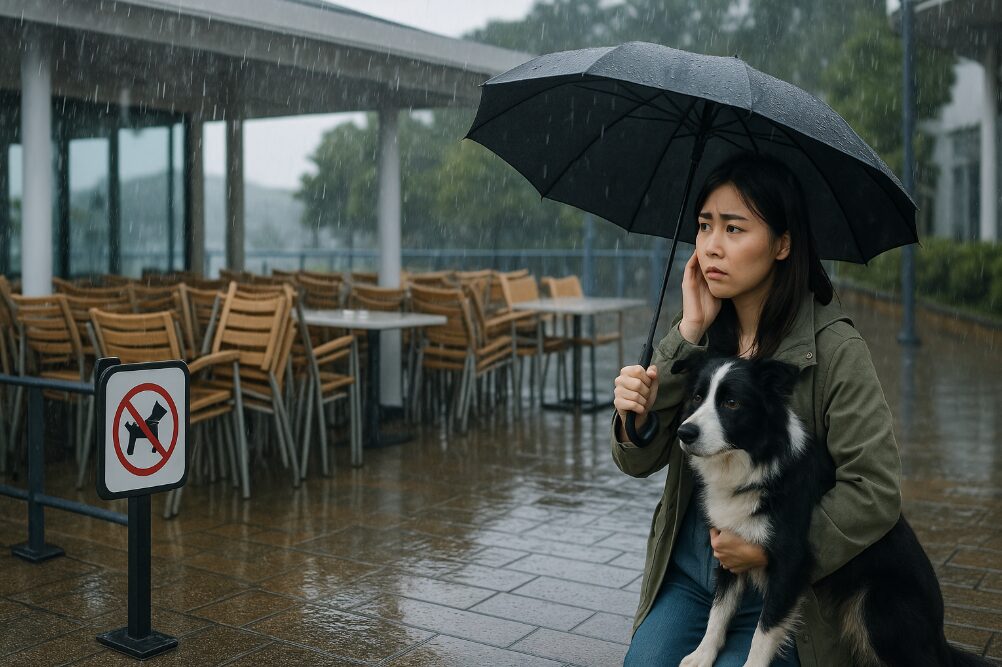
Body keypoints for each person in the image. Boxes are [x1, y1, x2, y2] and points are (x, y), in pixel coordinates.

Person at [612, 153, 901, 666]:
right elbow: (638, 460)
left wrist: (774, 549)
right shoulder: (697, 333)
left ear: (783, 244)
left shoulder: (834, 349)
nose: (711, 246)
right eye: (704, 226)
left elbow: (874, 488)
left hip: (786, 592)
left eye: (734, 228)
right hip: (693, 577)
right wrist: (684, 337)